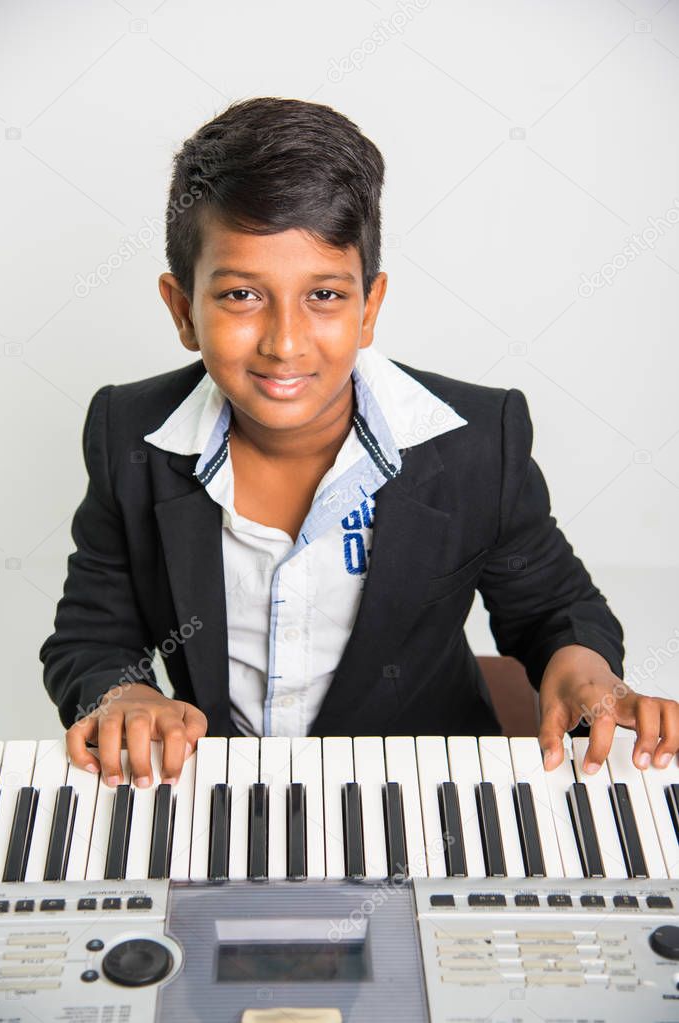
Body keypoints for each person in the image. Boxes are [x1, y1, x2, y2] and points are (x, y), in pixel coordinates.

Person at [40, 96, 679, 790]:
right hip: (219, 792)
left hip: (423, 792)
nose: (285, 343)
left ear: (368, 307)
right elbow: (91, 636)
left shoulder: (474, 441)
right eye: (240, 296)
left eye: (323, 296)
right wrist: (120, 695)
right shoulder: (127, 433)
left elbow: (552, 608)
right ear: (181, 309)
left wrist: (581, 669)